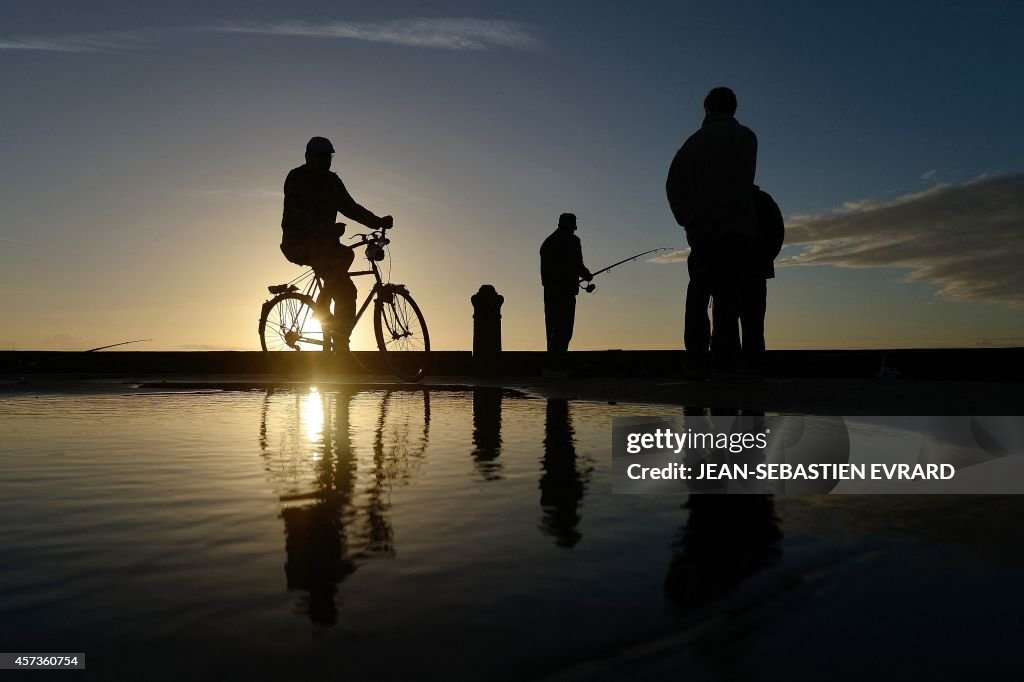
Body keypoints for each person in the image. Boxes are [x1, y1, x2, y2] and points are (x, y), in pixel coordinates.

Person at [665, 87, 758, 377]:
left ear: (706, 108)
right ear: (733, 108)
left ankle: (695, 360)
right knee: (728, 297)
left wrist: (690, 219)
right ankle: (726, 361)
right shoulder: (743, 137)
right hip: (733, 231)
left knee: (698, 294)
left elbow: (672, 186)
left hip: (701, 232)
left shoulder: (690, 145)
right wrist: (719, 217)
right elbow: (742, 183)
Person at [280, 136, 393, 353]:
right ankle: (322, 305)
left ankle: (341, 344)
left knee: (347, 292)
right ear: (308, 158)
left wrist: (377, 221)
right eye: (321, 157)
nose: (326, 161)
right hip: (298, 243)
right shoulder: (295, 178)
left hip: (325, 246)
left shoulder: (332, 182)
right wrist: (326, 228)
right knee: (345, 256)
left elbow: (350, 207)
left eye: (329, 157)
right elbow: (297, 214)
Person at [739, 186, 785, 373]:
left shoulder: (761, 201)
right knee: (753, 324)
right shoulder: (764, 200)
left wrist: (761, 259)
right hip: (752, 271)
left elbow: (776, 234)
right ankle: (752, 366)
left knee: (751, 324)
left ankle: (751, 365)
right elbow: (777, 234)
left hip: (751, 271)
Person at [540, 213, 592, 373]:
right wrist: (587, 275)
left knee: (552, 327)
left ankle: (552, 363)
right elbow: (577, 264)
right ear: (571, 224)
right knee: (565, 328)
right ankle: (559, 363)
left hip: (549, 292)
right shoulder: (573, 241)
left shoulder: (547, 243)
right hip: (566, 292)